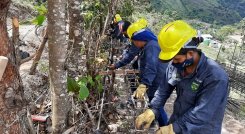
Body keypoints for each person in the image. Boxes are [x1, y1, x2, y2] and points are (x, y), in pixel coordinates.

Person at [135, 20, 229, 134]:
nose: (173, 63)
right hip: (178, 122)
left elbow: (202, 114)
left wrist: (173, 128)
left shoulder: (215, 77)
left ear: (190, 53)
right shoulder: (176, 66)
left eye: (177, 59)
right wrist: (153, 109)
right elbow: (163, 90)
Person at [110, 19, 169, 127]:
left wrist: (144, 84)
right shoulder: (147, 45)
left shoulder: (151, 47)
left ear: (140, 39)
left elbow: (151, 67)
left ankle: (164, 127)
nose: (134, 44)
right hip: (155, 78)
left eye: (134, 41)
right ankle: (158, 123)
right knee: (154, 103)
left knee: (156, 104)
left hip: (157, 79)